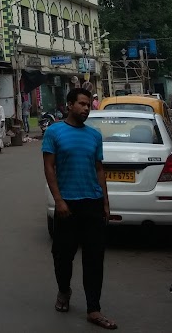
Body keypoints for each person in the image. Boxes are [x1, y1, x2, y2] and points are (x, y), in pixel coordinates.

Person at [42, 88, 116, 329]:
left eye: (88, 105)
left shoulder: (94, 136)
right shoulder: (54, 132)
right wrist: (59, 200)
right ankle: (64, 290)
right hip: (67, 205)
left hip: (92, 203)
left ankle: (94, 308)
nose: (86, 108)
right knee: (62, 256)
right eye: (82, 104)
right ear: (70, 104)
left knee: (94, 258)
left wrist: (105, 202)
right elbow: (49, 168)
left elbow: (99, 169)